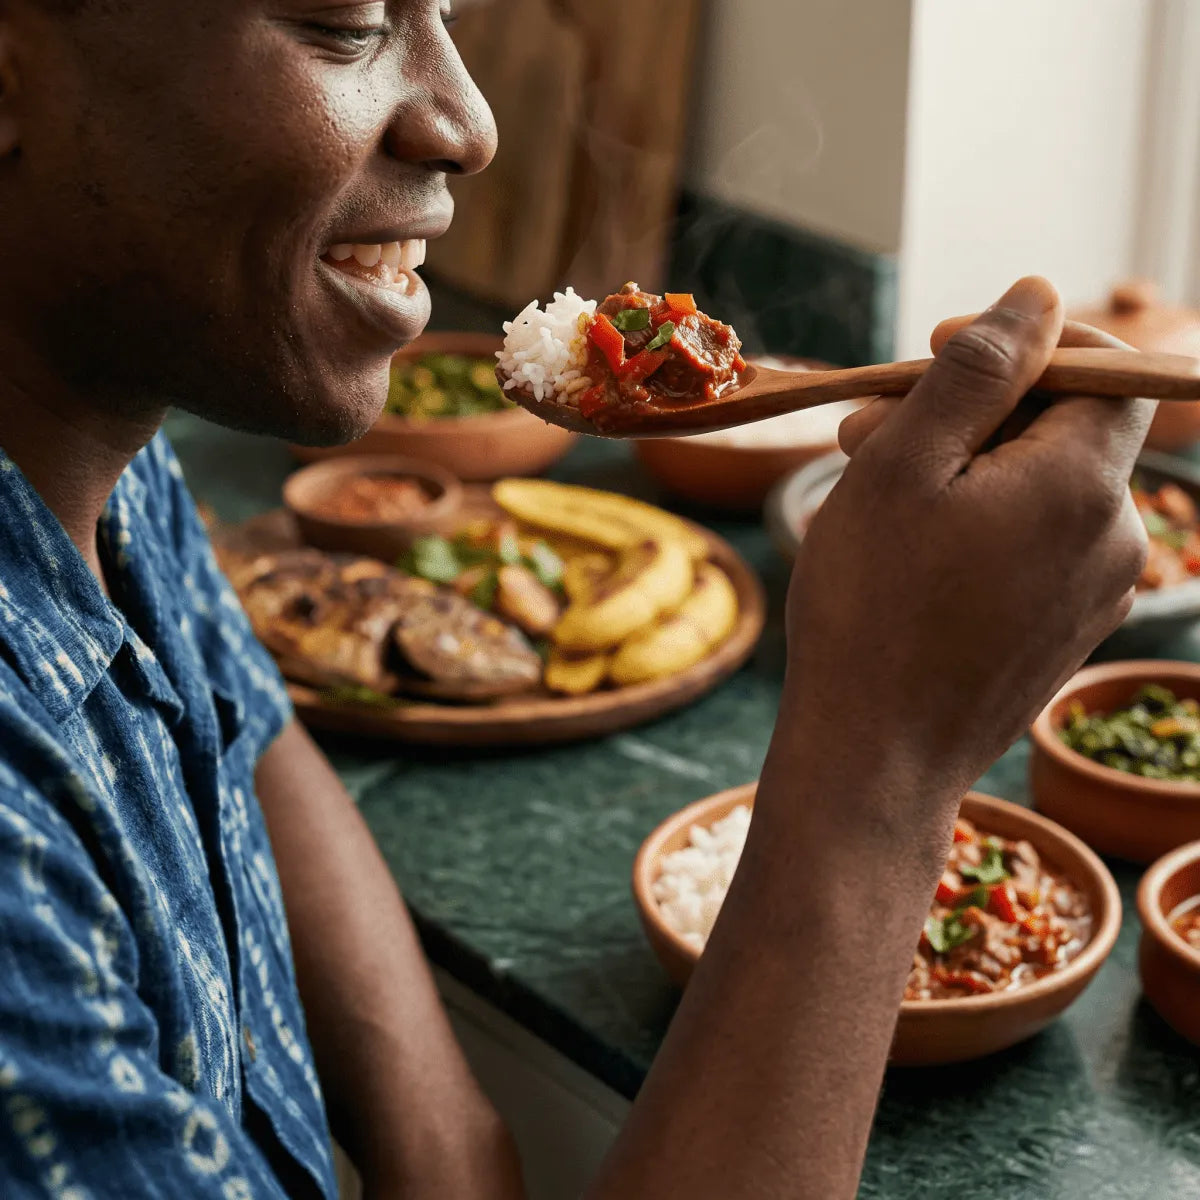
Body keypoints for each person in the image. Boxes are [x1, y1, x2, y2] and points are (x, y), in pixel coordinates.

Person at [0, 2, 1151, 1198]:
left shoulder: (94, 443)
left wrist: (453, 1149)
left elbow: (247, 727)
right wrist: (884, 767)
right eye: (348, 21)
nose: (470, 123)